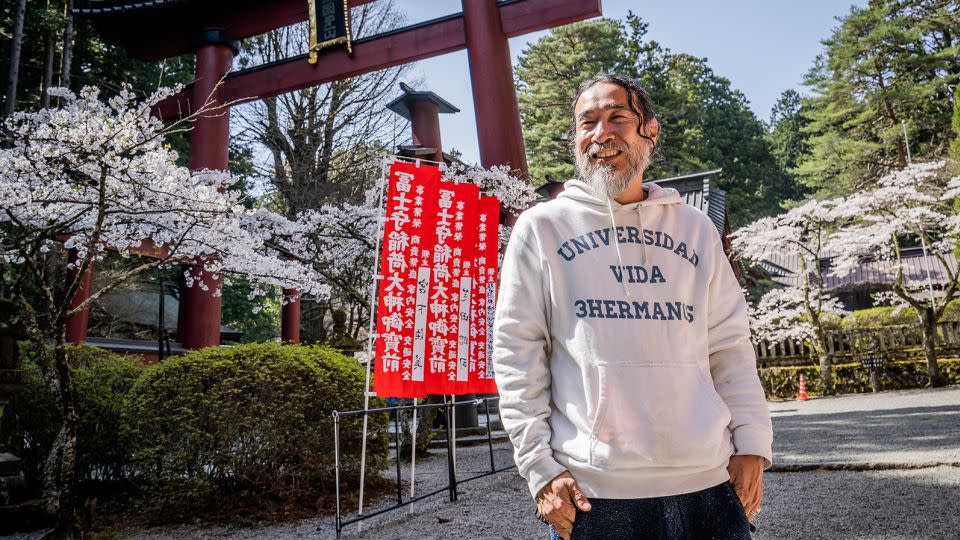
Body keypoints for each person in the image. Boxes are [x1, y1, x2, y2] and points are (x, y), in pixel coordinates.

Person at [492, 74, 773, 540]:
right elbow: (517, 353)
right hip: (594, 492)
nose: (601, 133)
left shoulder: (695, 229)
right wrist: (538, 466)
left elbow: (728, 345)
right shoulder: (541, 229)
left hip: (708, 479)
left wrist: (752, 443)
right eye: (588, 122)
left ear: (651, 131)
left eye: (617, 118)